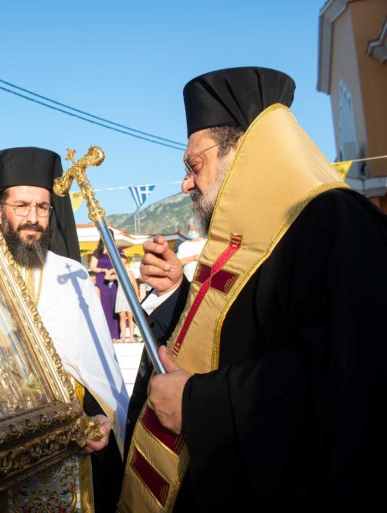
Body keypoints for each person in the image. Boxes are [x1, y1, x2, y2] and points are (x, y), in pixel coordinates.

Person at [119, 67, 387, 511]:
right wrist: (177, 293)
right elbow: (244, 337)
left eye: (193, 165)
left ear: (243, 152)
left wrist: (197, 404)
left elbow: (347, 379)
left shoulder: (337, 223)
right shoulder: (246, 239)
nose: (186, 182)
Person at [0, 147, 129, 513]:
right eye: (22, 206)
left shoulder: (73, 276)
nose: (33, 218)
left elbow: (97, 370)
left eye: (43, 207)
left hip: (68, 451)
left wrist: (99, 418)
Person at [89, 234, 120, 340]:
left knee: (114, 306)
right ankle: (105, 335)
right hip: (102, 282)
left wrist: (112, 272)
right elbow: (92, 267)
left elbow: (122, 265)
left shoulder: (117, 251)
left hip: (113, 281)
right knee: (103, 306)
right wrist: (103, 270)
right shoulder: (98, 251)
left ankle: (115, 335)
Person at [114, 251, 140, 342]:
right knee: (122, 316)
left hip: (129, 295)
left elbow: (135, 285)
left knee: (130, 316)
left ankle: (132, 336)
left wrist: (137, 297)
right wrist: (110, 270)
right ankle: (123, 337)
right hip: (120, 295)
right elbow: (107, 277)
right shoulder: (117, 272)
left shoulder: (129, 272)